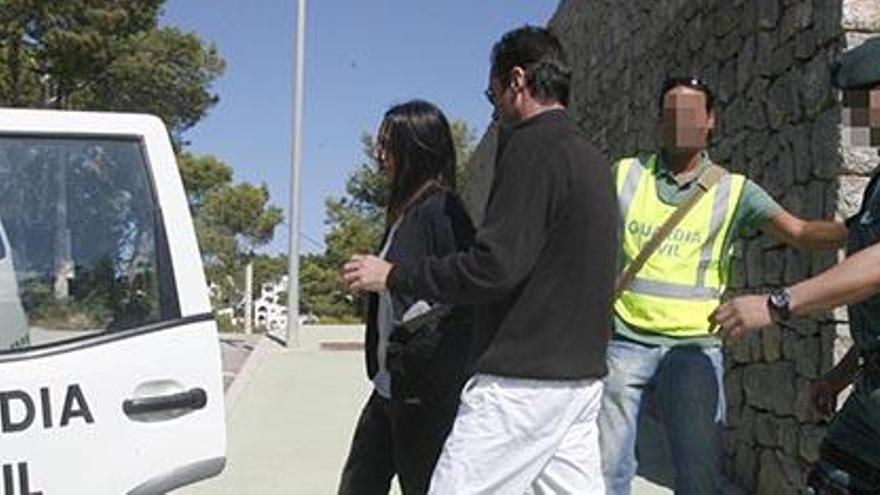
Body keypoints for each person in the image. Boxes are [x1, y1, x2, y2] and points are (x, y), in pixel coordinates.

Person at [344, 26, 616, 494]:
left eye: (491, 92)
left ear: (516, 81)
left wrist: (394, 275)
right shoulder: (589, 157)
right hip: (580, 379)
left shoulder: (532, 146)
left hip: (520, 384)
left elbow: (493, 267)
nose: (491, 106)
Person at [599, 76, 849, 495]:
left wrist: (858, 230)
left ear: (711, 121)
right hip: (625, 344)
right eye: (671, 113)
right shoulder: (625, 175)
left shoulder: (734, 191)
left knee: (699, 479)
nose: (680, 122)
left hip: (695, 349)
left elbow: (802, 233)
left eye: (691, 113)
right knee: (607, 471)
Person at [712, 36, 880, 494]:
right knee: (831, 480)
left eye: (864, 101)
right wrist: (841, 374)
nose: (855, 117)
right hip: (870, 399)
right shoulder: (876, 185)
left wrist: (778, 303)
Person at [337, 100, 475, 495]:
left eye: (388, 144)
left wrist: (394, 282)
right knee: (358, 485)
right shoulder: (403, 213)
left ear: (417, 148)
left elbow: (464, 288)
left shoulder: (443, 211)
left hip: (423, 393)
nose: (379, 154)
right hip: (388, 387)